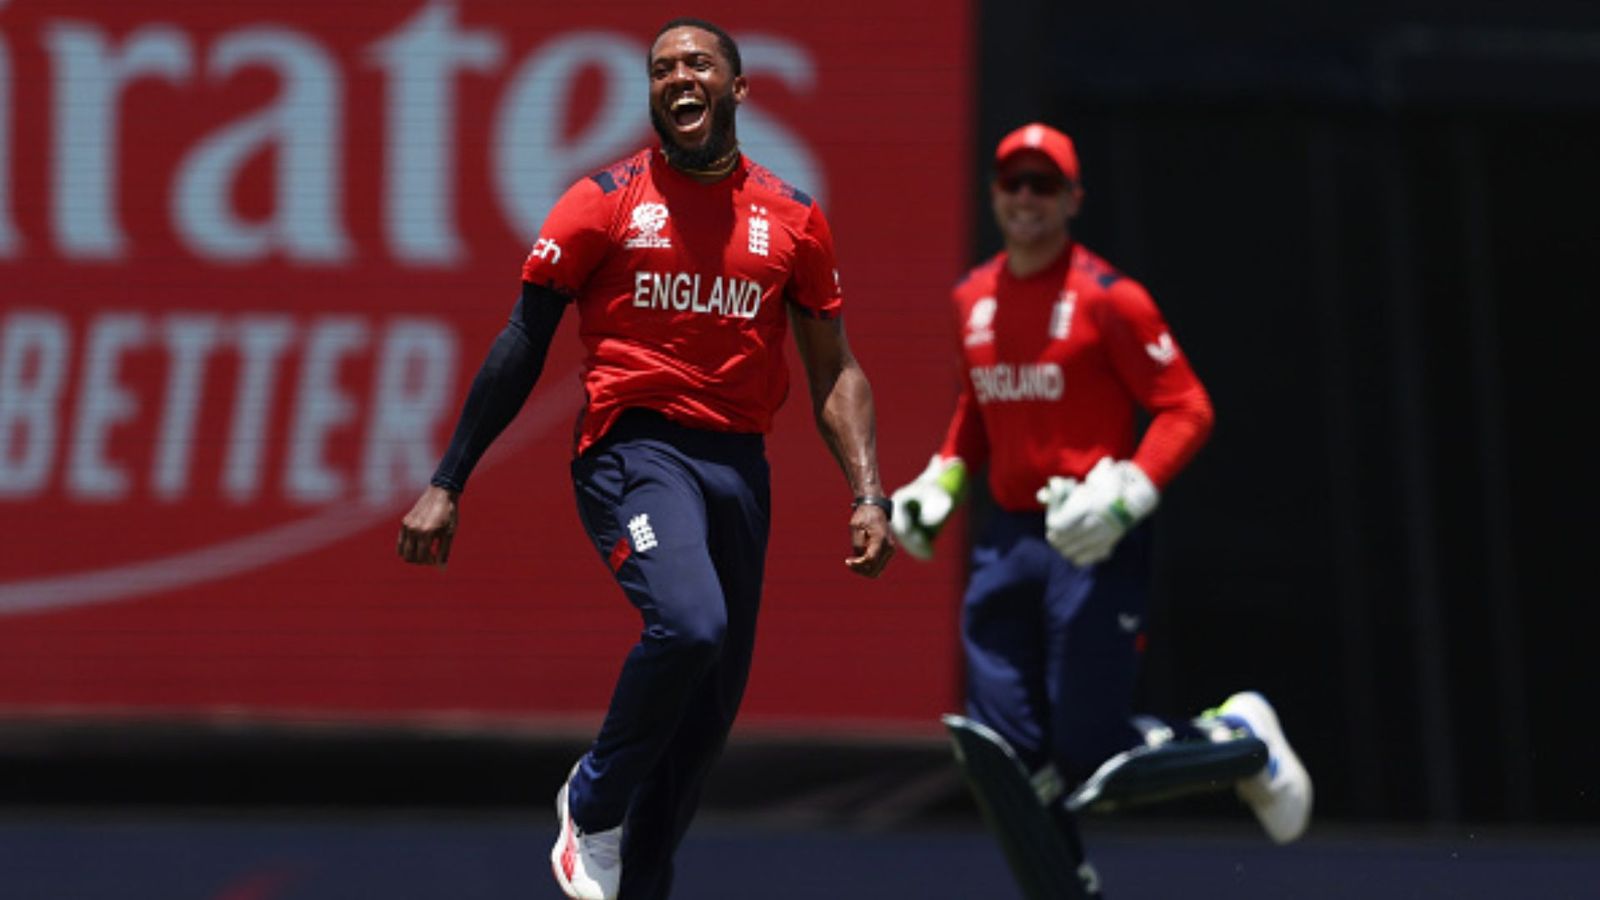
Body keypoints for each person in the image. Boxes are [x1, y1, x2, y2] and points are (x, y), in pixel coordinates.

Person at [395, 18, 895, 900]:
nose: (678, 78)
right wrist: (448, 480)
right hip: (636, 449)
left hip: (738, 469)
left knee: (702, 727)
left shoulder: (793, 218)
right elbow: (522, 341)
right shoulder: (604, 200)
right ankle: (589, 805)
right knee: (691, 623)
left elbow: (834, 371)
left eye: (698, 64)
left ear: (738, 88)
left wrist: (868, 494)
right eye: (662, 69)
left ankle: (637, 880)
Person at [889, 122, 1310, 893]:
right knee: (1011, 756)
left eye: (1043, 185)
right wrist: (939, 485)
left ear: (1073, 198)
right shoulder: (970, 298)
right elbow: (977, 413)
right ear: (993, 193)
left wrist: (1128, 495)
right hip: (1004, 544)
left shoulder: (1111, 300)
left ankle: (1241, 737)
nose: (1026, 199)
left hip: (1090, 542)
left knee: (1092, 753)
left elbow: (1187, 407)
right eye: (1013, 182)